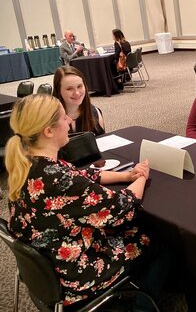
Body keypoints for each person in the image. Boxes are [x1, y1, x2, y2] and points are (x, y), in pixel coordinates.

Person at [5, 94, 169, 309]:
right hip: (77, 276)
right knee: (161, 242)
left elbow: (85, 175)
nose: (70, 122)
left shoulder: (27, 164)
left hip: (51, 265)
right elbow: (122, 206)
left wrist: (127, 176)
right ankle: (139, 305)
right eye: (64, 118)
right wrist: (142, 177)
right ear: (48, 131)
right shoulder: (58, 179)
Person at [52, 66, 105, 136]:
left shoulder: (94, 113)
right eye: (69, 89)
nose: (77, 93)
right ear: (58, 91)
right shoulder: (51, 119)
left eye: (79, 86)